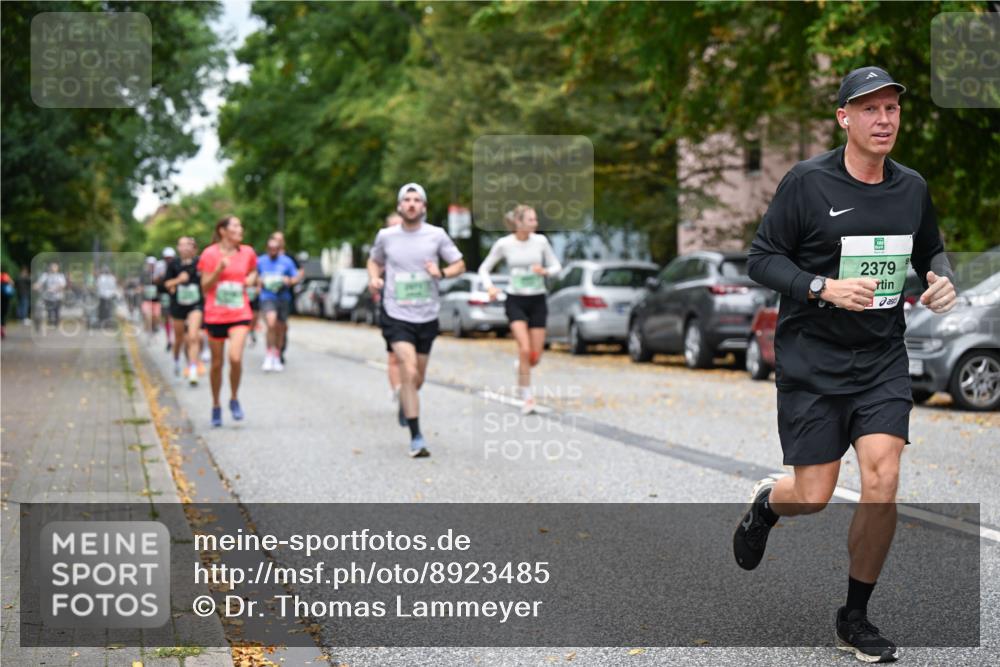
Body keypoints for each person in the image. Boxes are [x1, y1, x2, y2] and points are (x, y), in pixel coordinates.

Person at [733, 66, 957, 664]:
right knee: (813, 494)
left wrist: (941, 279)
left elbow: (929, 247)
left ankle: (854, 617)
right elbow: (760, 259)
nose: (884, 120)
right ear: (844, 119)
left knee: (883, 478)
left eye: (892, 110)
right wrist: (819, 288)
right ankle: (767, 506)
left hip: (881, 357)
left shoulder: (911, 186)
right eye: (870, 110)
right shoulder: (807, 183)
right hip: (812, 360)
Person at [367, 183, 465, 458]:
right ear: (400, 206)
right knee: (408, 369)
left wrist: (441, 272)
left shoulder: (437, 235)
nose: (411, 204)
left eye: (416, 200)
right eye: (406, 200)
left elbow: (460, 264)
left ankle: (405, 402)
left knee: (417, 378)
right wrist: (373, 277)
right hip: (396, 314)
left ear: (423, 207)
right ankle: (417, 436)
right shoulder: (386, 236)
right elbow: (373, 261)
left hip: (427, 314)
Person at [479, 205, 562, 414]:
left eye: (535, 220)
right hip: (515, 300)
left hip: (537, 300)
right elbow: (484, 268)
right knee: (524, 349)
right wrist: (489, 287)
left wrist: (545, 271)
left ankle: (522, 366)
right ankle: (527, 397)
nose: (535, 224)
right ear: (519, 222)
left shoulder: (541, 242)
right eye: (531, 220)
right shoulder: (504, 244)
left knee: (535, 356)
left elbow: (557, 267)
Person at [198, 216, 258, 427]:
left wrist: (251, 278)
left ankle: (233, 398)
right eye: (235, 225)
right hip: (215, 314)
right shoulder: (209, 253)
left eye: (240, 225)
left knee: (235, 358)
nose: (240, 229)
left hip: (240, 313)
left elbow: (253, 270)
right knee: (216, 364)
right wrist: (218, 270)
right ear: (223, 231)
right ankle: (216, 404)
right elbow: (204, 287)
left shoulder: (247, 252)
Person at [164, 236, 204, 384]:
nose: (185, 247)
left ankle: (193, 368)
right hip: (178, 305)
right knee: (179, 338)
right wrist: (178, 280)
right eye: (181, 245)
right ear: (178, 248)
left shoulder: (199, 263)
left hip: (195, 304)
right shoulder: (173, 264)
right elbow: (166, 284)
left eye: (188, 244)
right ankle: (176, 359)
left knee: (193, 336)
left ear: (194, 248)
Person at [256, 237, 298, 372]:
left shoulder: (287, 261)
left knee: (280, 328)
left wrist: (289, 280)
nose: (273, 251)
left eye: (275, 249)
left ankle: (277, 354)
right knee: (271, 323)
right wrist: (258, 281)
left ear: (279, 249)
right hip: (267, 296)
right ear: (267, 249)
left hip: (283, 297)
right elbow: (253, 275)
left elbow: (295, 277)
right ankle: (269, 354)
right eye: (270, 249)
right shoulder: (261, 261)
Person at [269, 231, 304, 364]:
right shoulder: (267, 256)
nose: (278, 242)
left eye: (280, 239)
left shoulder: (289, 257)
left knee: (282, 325)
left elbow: (300, 271)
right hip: (269, 295)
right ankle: (271, 350)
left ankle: (280, 350)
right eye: (275, 239)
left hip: (285, 295)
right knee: (272, 323)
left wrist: (292, 280)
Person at [381, 213, 404, 400]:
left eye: (399, 225)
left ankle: (408, 387)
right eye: (392, 226)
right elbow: (373, 264)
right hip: (391, 306)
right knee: (394, 353)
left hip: (417, 309)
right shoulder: (383, 246)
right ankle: (398, 390)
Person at [155, 247, 176, 352]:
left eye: (170, 258)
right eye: (167, 258)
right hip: (164, 294)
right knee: (167, 317)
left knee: (175, 317)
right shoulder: (159, 266)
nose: (169, 260)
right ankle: (169, 339)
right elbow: (154, 280)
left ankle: (175, 337)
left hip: (175, 294)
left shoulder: (177, 264)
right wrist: (160, 277)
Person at [35, 262, 67, 327]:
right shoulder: (45, 275)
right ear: (50, 268)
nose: (53, 268)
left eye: (55, 267)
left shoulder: (60, 276)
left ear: (57, 268)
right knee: (49, 310)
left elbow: (63, 285)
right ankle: (50, 322)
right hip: (48, 296)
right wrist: (36, 286)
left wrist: (56, 289)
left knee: (56, 310)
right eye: (52, 267)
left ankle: (56, 323)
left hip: (58, 297)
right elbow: (40, 282)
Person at [140, 256, 161, 338]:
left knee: (156, 316)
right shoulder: (144, 275)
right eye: (149, 264)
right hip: (147, 300)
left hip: (156, 300)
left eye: (152, 264)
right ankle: (148, 330)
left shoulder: (159, 275)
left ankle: (154, 327)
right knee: (148, 315)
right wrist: (141, 290)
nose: (151, 266)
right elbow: (141, 286)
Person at [1, 269, 13, 338]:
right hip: (6, 300)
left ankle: (1, 330)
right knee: (3, 316)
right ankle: (2, 330)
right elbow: (11, 285)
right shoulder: (6, 276)